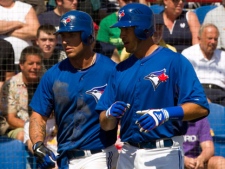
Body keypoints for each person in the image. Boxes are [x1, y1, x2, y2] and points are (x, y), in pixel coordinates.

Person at [95, 3, 209, 169]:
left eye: (127, 29)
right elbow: (105, 125)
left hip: (164, 153)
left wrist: (166, 113)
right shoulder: (120, 69)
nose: (122, 36)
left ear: (143, 29)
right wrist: (109, 115)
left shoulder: (174, 61)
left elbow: (200, 107)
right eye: (121, 30)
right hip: (128, 154)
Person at [29, 10, 119, 169]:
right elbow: (38, 116)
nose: (65, 41)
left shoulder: (110, 71)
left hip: (99, 155)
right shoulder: (53, 75)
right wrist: (37, 145)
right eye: (63, 36)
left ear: (87, 36)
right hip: (65, 157)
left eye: (71, 35)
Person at [0, 46, 43, 141]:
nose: (35, 67)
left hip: (44, 126)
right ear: (21, 65)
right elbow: (11, 119)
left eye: (38, 63)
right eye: (31, 63)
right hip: (17, 127)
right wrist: (33, 128)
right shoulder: (10, 85)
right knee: (24, 136)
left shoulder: (46, 81)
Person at [181, 23, 225, 106]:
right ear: (199, 38)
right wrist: (202, 97)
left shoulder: (223, 56)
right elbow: (185, 82)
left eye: (215, 39)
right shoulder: (188, 54)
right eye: (210, 38)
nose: (213, 42)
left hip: (221, 95)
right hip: (196, 94)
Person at [0, 0, 40, 69]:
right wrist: (18, 23)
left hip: (25, 63)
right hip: (2, 61)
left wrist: (5, 29)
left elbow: (35, 32)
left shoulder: (26, 8)